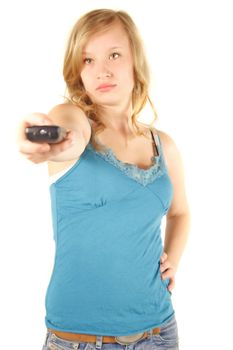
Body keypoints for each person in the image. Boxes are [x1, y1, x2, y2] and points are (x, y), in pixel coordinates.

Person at [18, 8, 190, 350]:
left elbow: (180, 212)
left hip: (158, 332)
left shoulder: (163, 145)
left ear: (135, 63)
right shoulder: (72, 119)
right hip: (79, 340)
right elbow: (69, 134)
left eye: (114, 55)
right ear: (77, 72)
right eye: (88, 60)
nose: (102, 71)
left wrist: (173, 258)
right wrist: (48, 140)